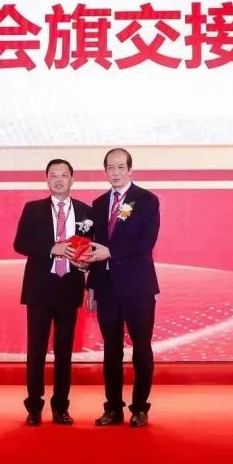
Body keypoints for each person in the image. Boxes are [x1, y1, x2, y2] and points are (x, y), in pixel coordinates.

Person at [83, 147, 160, 428]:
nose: (115, 173)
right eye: (110, 168)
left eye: (120, 167)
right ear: (105, 171)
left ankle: (139, 408)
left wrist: (111, 253)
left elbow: (146, 243)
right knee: (111, 351)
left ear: (130, 170)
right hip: (107, 289)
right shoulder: (99, 203)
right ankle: (113, 408)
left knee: (141, 349)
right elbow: (95, 248)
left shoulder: (147, 200)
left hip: (138, 288)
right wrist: (91, 285)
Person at [13, 158, 93, 426]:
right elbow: (20, 243)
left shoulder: (85, 212)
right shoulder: (33, 209)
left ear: (72, 179)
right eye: (53, 175)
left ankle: (60, 407)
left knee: (64, 351)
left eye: (64, 175)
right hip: (39, 288)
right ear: (47, 180)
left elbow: (88, 249)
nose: (59, 180)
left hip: (69, 287)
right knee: (36, 349)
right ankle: (34, 406)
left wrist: (85, 265)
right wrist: (51, 248)